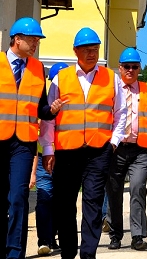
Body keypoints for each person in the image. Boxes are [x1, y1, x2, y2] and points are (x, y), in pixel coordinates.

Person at [0, 17, 54, 259]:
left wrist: (51, 110)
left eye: (38, 40)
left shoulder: (37, 69)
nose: (36, 43)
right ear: (17, 39)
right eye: (32, 39)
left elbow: (40, 108)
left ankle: (15, 253)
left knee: (19, 197)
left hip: (23, 143)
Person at [41, 28, 123, 259]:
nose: (91, 53)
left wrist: (113, 142)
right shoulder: (60, 79)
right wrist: (48, 150)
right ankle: (68, 253)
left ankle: (88, 255)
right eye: (86, 49)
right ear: (75, 51)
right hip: (67, 153)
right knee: (64, 206)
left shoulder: (111, 78)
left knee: (93, 205)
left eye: (95, 49)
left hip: (98, 152)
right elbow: (49, 119)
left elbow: (121, 113)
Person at [107, 47, 147, 251]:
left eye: (134, 66)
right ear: (120, 68)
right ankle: (115, 235)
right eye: (126, 66)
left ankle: (137, 236)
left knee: (137, 188)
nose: (130, 70)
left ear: (140, 68)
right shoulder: (112, 89)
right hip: (115, 149)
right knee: (113, 191)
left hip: (141, 150)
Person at [34, 62, 67, 256]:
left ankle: (53, 237)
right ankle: (44, 240)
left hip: (64, 157)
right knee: (44, 198)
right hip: (44, 158)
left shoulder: (73, 105)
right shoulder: (44, 106)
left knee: (59, 200)